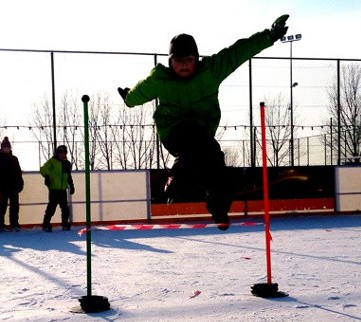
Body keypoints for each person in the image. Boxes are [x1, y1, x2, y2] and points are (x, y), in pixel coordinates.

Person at [117, 15, 290, 230]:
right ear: (170, 61)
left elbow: (238, 53)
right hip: (173, 131)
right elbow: (138, 94)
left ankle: (219, 208)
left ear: (196, 59)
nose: (184, 66)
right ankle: (177, 177)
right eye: (178, 61)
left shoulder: (211, 70)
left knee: (216, 161)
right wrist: (128, 98)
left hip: (203, 132)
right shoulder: (159, 79)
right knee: (193, 139)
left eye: (188, 60)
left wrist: (270, 35)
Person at [40, 145, 74, 232]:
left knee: (65, 208)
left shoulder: (66, 163)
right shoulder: (52, 161)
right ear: (57, 153)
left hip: (62, 189)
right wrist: (47, 176)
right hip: (54, 189)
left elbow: (68, 175)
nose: (62, 155)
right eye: (60, 153)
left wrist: (71, 185)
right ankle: (46, 223)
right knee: (52, 207)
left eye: (64, 153)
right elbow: (43, 169)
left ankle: (65, 223)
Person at [0, 137, 24, 231]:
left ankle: (14, 223)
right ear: (2, 149)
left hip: (14, 186)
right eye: (4, 147)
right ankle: (0, 224)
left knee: (14, 206)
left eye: (7, 147)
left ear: (10, 148)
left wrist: (20, 183)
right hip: (4, 187)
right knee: (2, 206)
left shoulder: (14, 159)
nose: (6, 149)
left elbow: (18, 172)